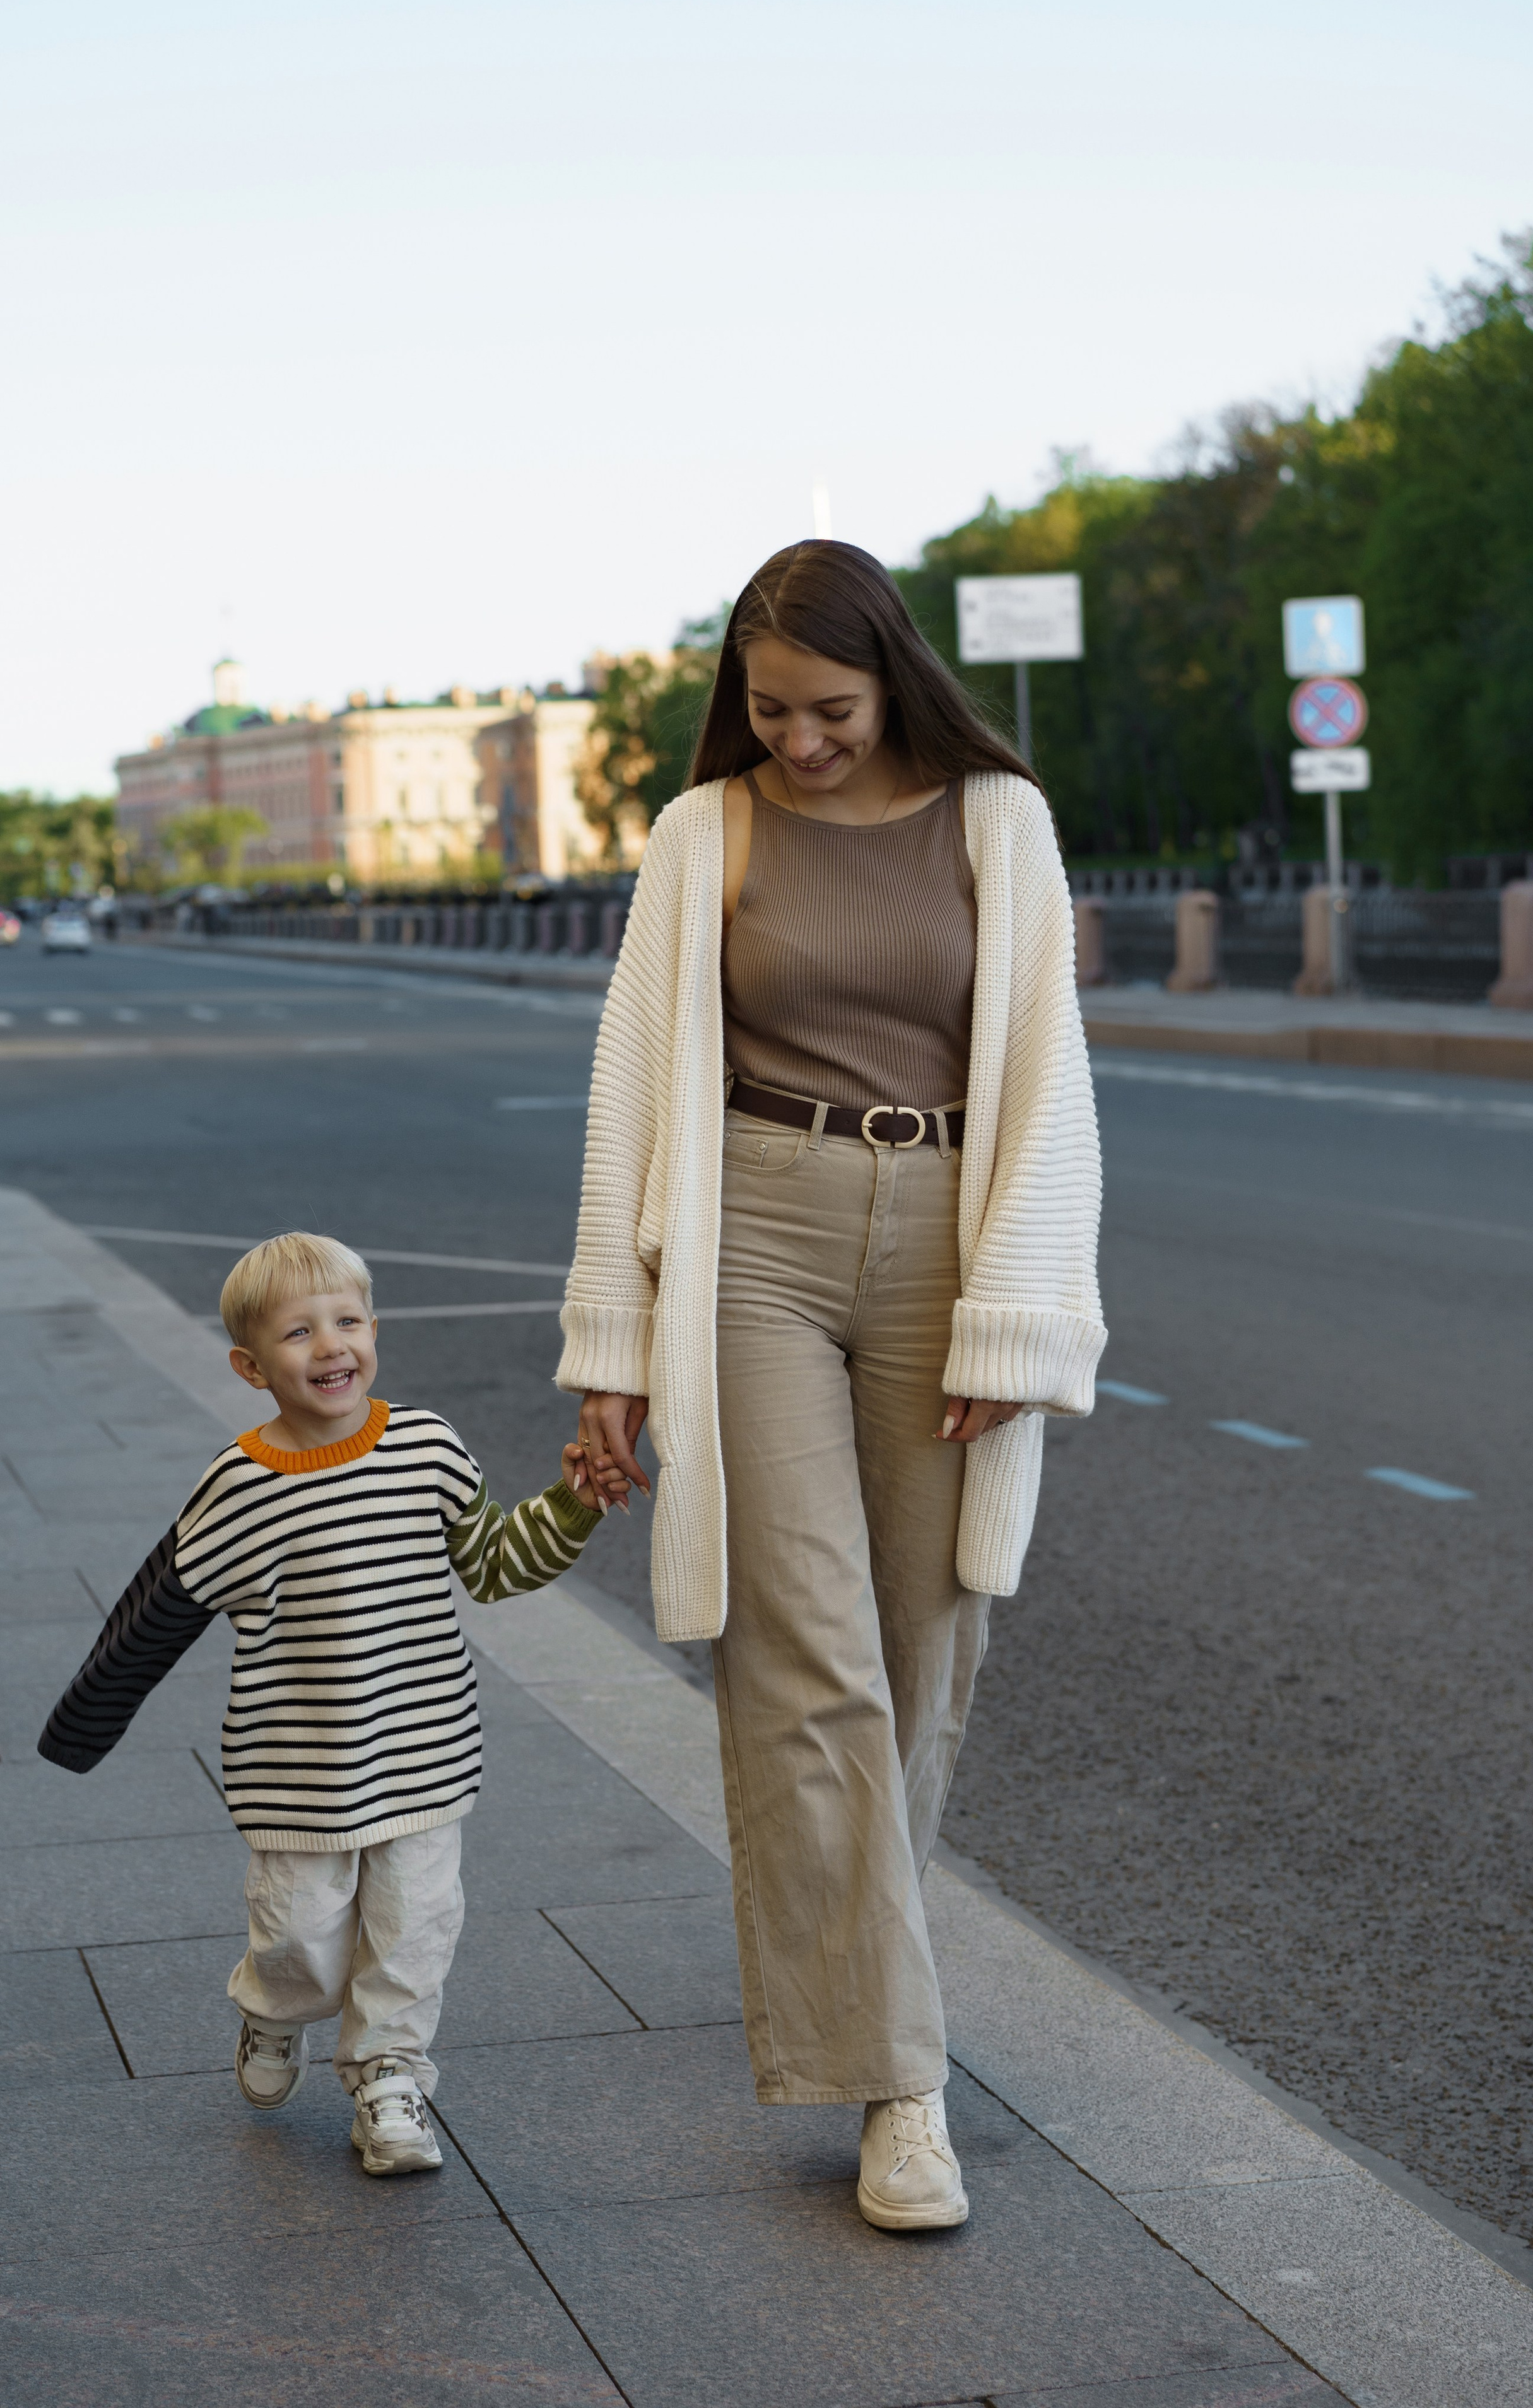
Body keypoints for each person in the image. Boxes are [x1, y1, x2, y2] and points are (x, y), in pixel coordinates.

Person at [563, 541, 1106, 2231]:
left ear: (896, 680)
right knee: (805, 1661)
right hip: (758, 1241)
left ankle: (871, 2009)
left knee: (929, 1640)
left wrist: (1017, 1321)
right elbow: (632, 1092)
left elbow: (1049, 1077)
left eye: (830, 712)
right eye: (768, 709)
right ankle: (904, 2088)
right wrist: (612, 1346)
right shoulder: (700, 837)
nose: (796, 742)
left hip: (950, 1236)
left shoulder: (997, 824)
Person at [38, 1230, 604, 2175]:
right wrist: (84, 1724)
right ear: (251, 1366)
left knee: (414, 1934)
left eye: (347, 1322)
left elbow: (496, 1565)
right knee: (301, 1939)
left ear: (374, 1330)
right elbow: (160, 1609)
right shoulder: (240, 1486)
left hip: (423, 1760)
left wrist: (574, 1504)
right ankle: (272, 2010)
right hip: (296, 1774)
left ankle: (390, 2080)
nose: (331, 1345)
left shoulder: (427, 1447)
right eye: (300, 1332)